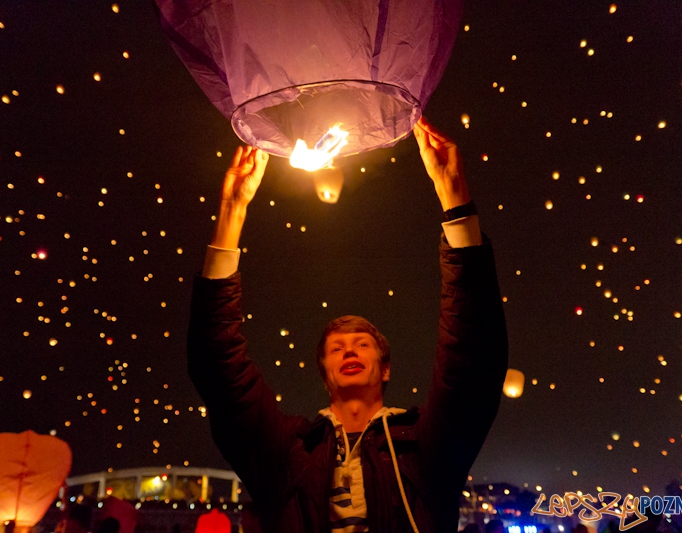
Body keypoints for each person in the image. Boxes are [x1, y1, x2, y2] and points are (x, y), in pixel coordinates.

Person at [188, 117, 508, 533]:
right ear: (324, 374)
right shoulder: (289, 453)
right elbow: (219, 369)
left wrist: (456, 199)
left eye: (361, 344)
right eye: (336, 349)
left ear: (386, 368)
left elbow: (472, 358)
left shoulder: (422, 446)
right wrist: (231, 215)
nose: (350, 350)